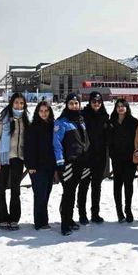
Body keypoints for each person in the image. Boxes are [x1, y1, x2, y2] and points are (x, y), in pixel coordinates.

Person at [0, 93, 30, 230]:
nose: (19, 105)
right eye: (16, 102)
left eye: (21, 103)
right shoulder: (2, 119)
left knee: (15, 190)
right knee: (1, 190)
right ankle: (2, 218)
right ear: (12, 103)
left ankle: (14, 218)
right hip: (3, 159)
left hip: (18, 159)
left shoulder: (25, 119)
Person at [53, 93, 90, 236]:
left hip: (81, 162)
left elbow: (85, 141)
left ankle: (70, 219)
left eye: (76, 103)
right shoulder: (61, 122)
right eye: (71, 103)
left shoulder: (81, 121)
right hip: (68, 163)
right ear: (67, 105)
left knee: (73, 192)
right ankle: (65, 224)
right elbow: (56, 144)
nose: (74, 106)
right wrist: (60, 162)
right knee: (68, 193)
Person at [24, 101, 57, 230]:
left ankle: (44, 220)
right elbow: (28, 148)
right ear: (37, 112)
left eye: (46, 111)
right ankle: (40, 222)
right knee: (40, 195)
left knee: (46, 194)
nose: (44, 113)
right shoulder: (33, 127)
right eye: (41, 111)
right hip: (36, 167)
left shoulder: (53, 126)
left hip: (50, 166)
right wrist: (30, 165)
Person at [78, 92, 108, 224]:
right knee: (84, 185)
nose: (96, 104)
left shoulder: (104, 116)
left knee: (97, 186)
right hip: (86, 157)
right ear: (90, 102)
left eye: (99, 102)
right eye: (94, 101)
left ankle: (95, 213)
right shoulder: (83, 116)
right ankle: (82, 214)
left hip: (100, 156)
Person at [107, 99, 138, 223]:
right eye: (118, 106)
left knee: (129, 185)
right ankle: (119, 211)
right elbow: (108, 140)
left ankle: (128, 209)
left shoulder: (134, 122)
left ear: (127, 108)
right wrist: (112, 154)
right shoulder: (111, 122)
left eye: (122, 106)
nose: (120, 108)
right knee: (117, 184)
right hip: (116, 159)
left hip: (130, 159)